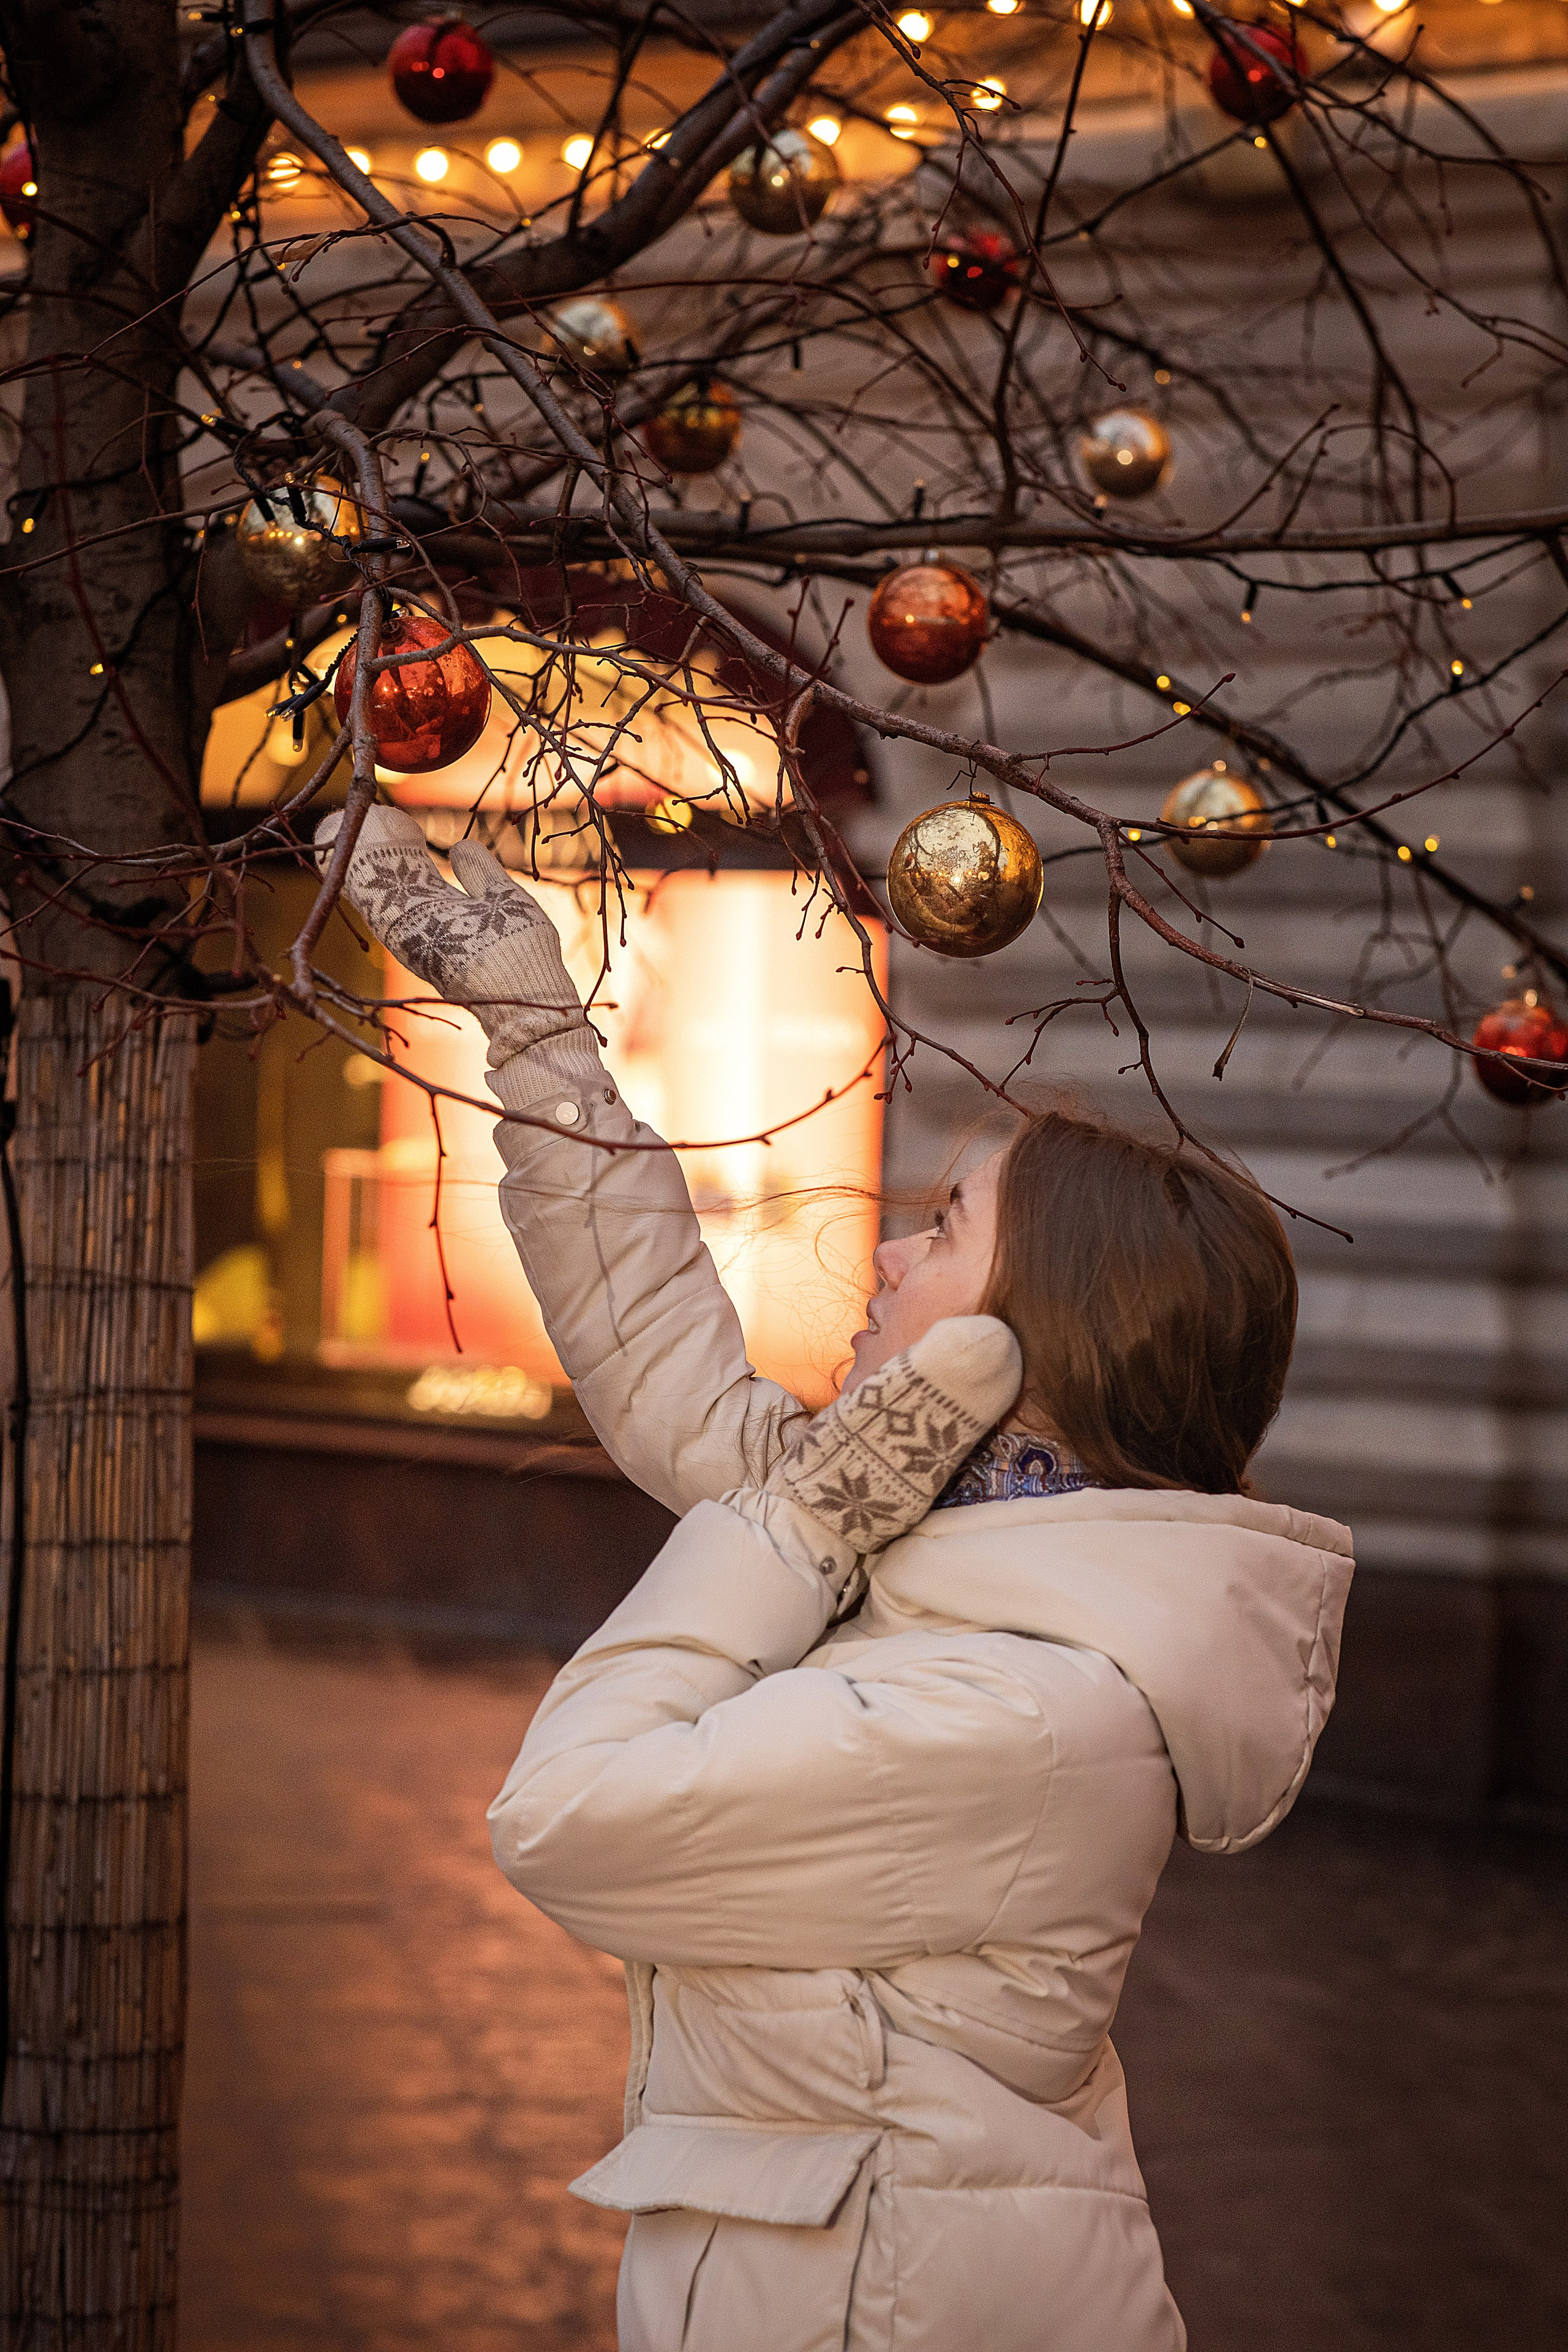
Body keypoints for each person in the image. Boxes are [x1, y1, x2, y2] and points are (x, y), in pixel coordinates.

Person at [318, 809, 1355, 2352]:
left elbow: (568, 1816)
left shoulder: (1020, 1704)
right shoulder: (950, 1545)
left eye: (944, 1232)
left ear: (1044, 1342)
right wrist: (532, 1024)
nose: (880, 1257)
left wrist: (797, 1529)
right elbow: (673, 1380)